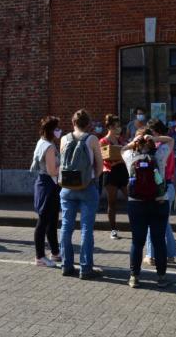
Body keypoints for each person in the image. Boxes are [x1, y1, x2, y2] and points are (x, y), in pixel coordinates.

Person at [121, 128, 170, 289]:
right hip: (159, 201)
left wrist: (133, 141)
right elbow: (171, 141)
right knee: (158, 241)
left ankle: (134, 277)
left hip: (136, 202)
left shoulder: (130, 157)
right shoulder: (160, 155)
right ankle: (161, 277)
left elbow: (122, 149)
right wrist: (156, 137)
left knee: (137, 241)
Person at [58, 109, 104, 280]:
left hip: (67, 187)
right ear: (88, 124)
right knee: (86, 229)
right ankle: (86, 269)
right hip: (86, 186)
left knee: (66, 227)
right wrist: (93, 178)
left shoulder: (64, 138)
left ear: (73, 122)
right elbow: (99, 164)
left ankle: (66, 265)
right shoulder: (92, 139)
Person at [144, 119, 176, 265]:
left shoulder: (157, 147)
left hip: (158, 187)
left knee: (152, 221)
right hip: (169, 185)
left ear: (154, 131)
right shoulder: (167, 146)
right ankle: (170, 254)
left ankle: (151, 255)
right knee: (164, 222)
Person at [30, 116, 62, 267]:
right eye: (57, 128)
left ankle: (55, 252)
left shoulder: (44, 142)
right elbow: (52, 171)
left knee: (52, 220)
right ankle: (40, 256)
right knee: (43, 221)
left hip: (48, 184)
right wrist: (64, 168)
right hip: (48, 185)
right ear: (51, 130)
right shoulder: (48, 146)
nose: (59, 131)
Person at [99, 114, 128, 239]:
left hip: (122, 171)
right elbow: (107, 159)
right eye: (117, 126)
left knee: (131, 198)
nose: (119, 128)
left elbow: (127, 155)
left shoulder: (121, 140)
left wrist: (120, 158)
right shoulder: (103, 141)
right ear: (110, 127)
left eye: (119, 126)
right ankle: (113, 229)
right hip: (110, 173)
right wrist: (120, 158)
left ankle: (138, 224)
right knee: (112, 202)